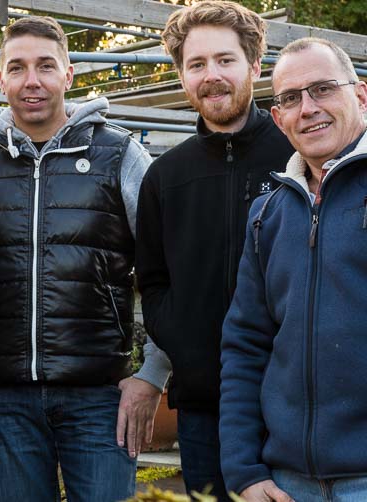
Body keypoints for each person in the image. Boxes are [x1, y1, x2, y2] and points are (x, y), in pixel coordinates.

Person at [0, 16, 171, 501]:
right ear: (1, 79)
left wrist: (152, 374)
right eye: (17, 68)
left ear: (69, 74)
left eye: (46, 66)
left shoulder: (122, 156)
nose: (32, 81)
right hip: (3, 401)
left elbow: (166, 271)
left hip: (101, 400)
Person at [134, 2, 295, 498]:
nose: (212, 76)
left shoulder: (296, 155)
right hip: (204, 408)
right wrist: (182, 342)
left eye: (225, 60)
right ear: (183, 76)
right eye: (197, 64)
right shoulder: (165, 176)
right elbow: (153, 281)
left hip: (294, 406)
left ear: (254, 65)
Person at [220, 38, 367, 502]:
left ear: (360, 96)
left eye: (322, 89)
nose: (307, 108)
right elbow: (245, 346)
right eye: (290, 98)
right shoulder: (268, 215)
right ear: (279, 118)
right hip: (287, 485)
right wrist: (245, 471)